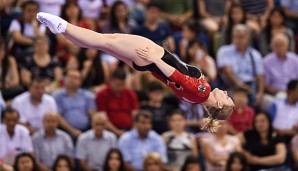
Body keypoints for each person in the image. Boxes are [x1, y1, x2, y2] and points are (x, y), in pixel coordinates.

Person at [36, 12, 235, 132]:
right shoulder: (196, 98)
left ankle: (63, 26)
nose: (225, 93)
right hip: (147, 64)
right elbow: (178, 80)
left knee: (104, 40)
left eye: (226, 98)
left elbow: (177, 76)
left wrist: (155, 58)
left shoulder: (203, 91)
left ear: (218, 104)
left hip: (151, 56)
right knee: (103, 43)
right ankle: (62, 30)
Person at [53, 69, 97, 138]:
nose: (72, 80)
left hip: (86, 131)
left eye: (76, 78)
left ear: (80, 82)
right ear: (65, 79)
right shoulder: (57, 96)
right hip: (65, 132)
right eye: (70, 77)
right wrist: (72, 130)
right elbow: (58, 116)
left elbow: (92, 114)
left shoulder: (87, 95)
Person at [96, 69, 139, 136]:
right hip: (110, 130)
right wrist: (117, 132)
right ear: (111, 81)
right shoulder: (102, 94)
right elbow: (103, 118)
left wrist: (132, 131)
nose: (119, 87)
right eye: (117, 84)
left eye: (122, 84)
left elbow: (135, 115)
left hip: (129, 129)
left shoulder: (130, 94)